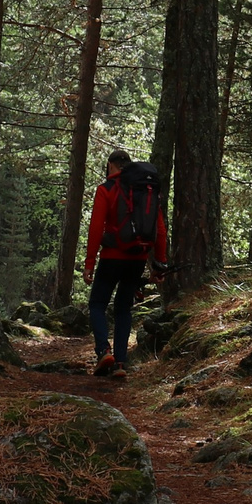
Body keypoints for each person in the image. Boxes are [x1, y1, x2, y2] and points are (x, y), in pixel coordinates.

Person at [83, 148, 167, 379]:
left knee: (98, 303)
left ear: (110, 165)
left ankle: (104, 351)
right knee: (123, 309)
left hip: (111, 256)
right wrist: (159, 264)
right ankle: (120, 363)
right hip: (137, 259)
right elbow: (159, 230)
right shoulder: (144, 190)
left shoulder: (106, 189)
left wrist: (89, 262)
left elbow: (96, 227)